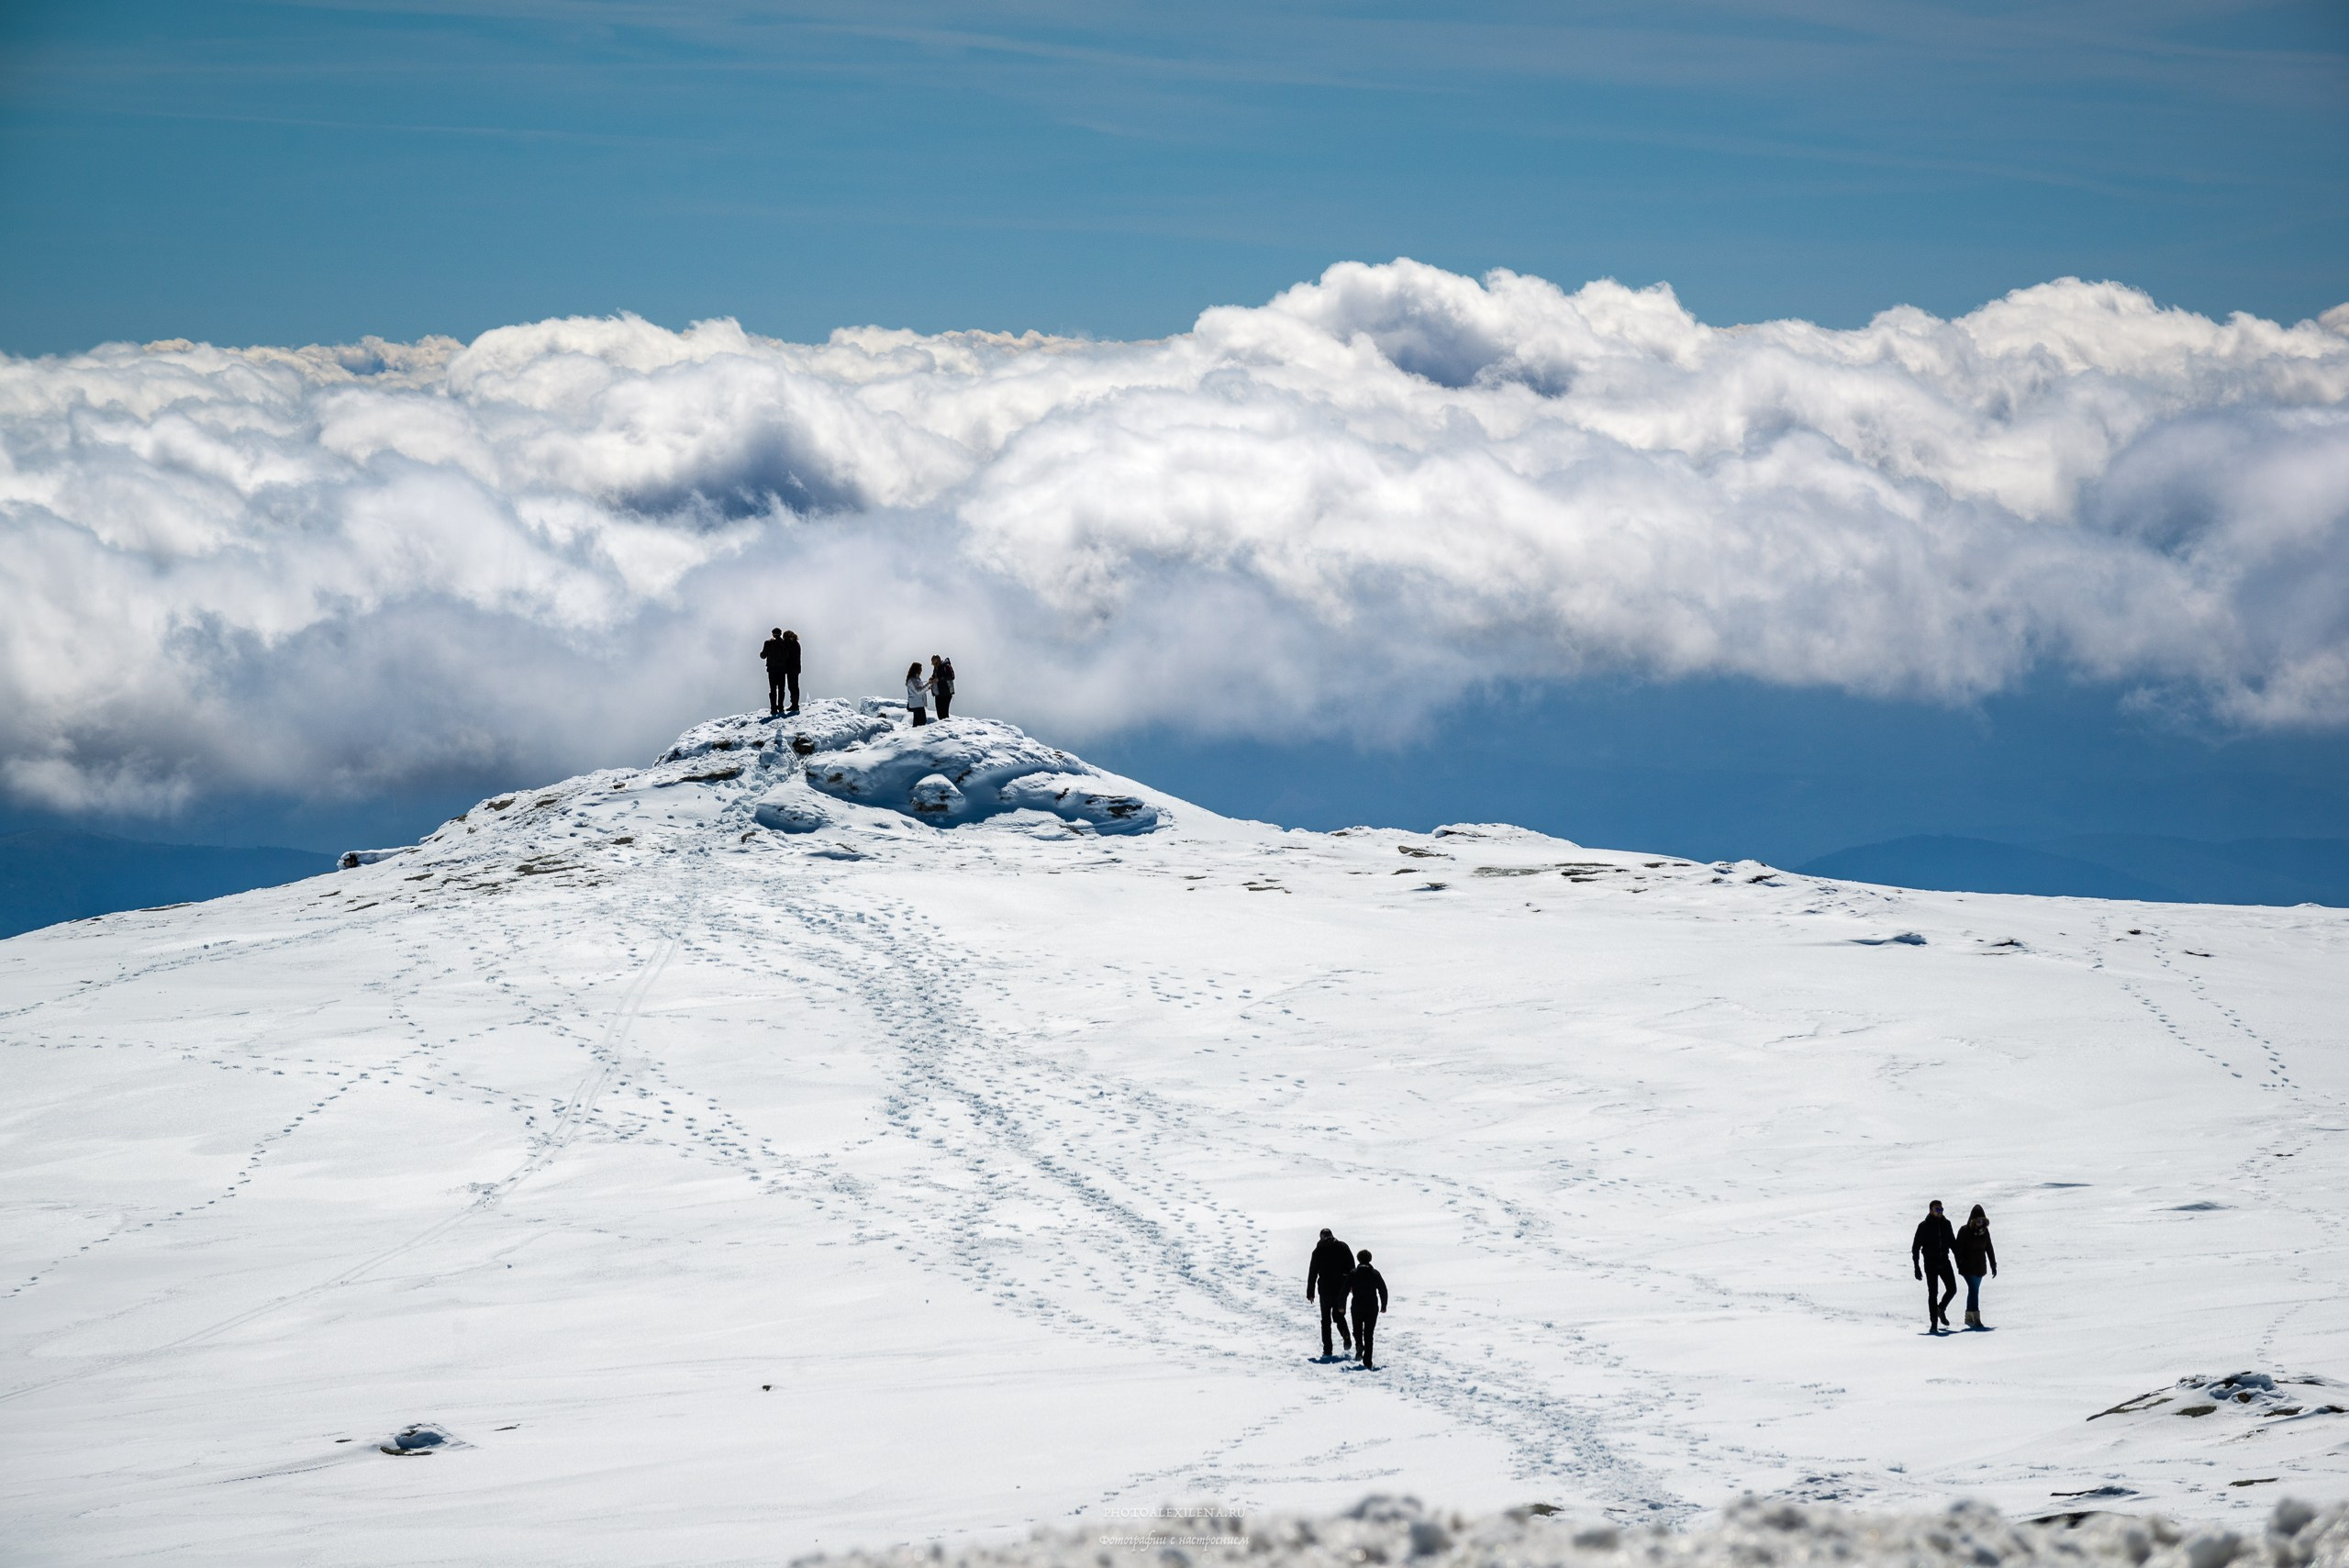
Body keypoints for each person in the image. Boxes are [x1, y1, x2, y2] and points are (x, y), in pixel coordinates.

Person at [1305, 1229, 1355, 1359]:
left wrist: (1310, 1292)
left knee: (1325, 1320)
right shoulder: (1343, 1247)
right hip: (1341, 1289)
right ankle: (1345, 1334)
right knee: (1338, 1315)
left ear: (1321, 1237)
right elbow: (1351, 1266)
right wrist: (1352, 1285)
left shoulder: (1317, 1251)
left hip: (1325, 1290)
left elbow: (1313, 1273)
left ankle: (1327, 1350)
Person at [1911, 1199, 1959, 1333]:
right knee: (1933, 1293)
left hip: (1944, 1261)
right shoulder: (1923, 1226)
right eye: (1937, 1209)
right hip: (1930, 1264)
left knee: (1952, 1289)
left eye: (1941, 1209)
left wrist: (1960, 1261)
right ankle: (1934, 1324)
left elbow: (1953, 1244)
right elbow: (1915, 1247)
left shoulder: (1946, 1224)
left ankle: (1941, 1309)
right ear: (1931, 1211)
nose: (1940, 1212)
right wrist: (1916, 1266)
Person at [1953, 1204, 1998, 1329]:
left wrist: (1993, 1265)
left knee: (1973, 1290)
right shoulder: (1964, 1231)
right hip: (1967, 1267)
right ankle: (1976, 1318)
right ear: (1972, 1220)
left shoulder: (1985, 1232)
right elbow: (1958, 1250)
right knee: (1973, 1290)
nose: (1979, 1222)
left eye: (1982, 1220)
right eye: (1977, 1220)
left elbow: (1989, 1248)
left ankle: (1968, 1317)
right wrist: (1959, 1264)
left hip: (1980, 1267)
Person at [1349, 1249, 1389, 1369]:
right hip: (1372, 1307)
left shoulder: (1353, 1273)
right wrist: (1384, 1306)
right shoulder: (1375, 1274)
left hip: (1357, 1306)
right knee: (1369, 1334)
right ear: (1370, 1259)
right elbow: (1383, 1290)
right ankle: (1367, 1361)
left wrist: (1341, 1304)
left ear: (1358, 1259)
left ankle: (1359, 1345)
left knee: (1357, 1330)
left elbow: (1345, 1288)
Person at [760, 628, 801, 716]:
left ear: (773, 634)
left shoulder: (769, 643)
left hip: (773, 670)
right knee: (782, 689)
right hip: (783, 670)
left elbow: (763, 655)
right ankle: (781, 707)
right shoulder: (785, 644)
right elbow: (787, 656)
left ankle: (774, 709)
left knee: (773, 689)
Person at [930, 655, 955, 719]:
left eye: (934, 663)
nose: (934, 665)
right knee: (939, 712)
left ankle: (946, 727)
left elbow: (952, 676)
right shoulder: (936, 668)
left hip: (946, 693)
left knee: (944, 713)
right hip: (938, 693)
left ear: (938, 661)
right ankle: (942, 727)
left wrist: (940, 679)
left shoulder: (946, 666)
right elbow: (934, 676)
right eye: (932, 664)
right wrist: (932, 678)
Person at [905, 662, 930, 727]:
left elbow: (920, 690)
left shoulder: (916, 679)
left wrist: (928, 687)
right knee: (922, 721)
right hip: (917, 704)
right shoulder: (912, 680)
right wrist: (929, 684)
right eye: (920, 669)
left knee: (918, 722)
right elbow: (918, 692)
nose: (921, 670)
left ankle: (914, 735)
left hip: (918, 703)